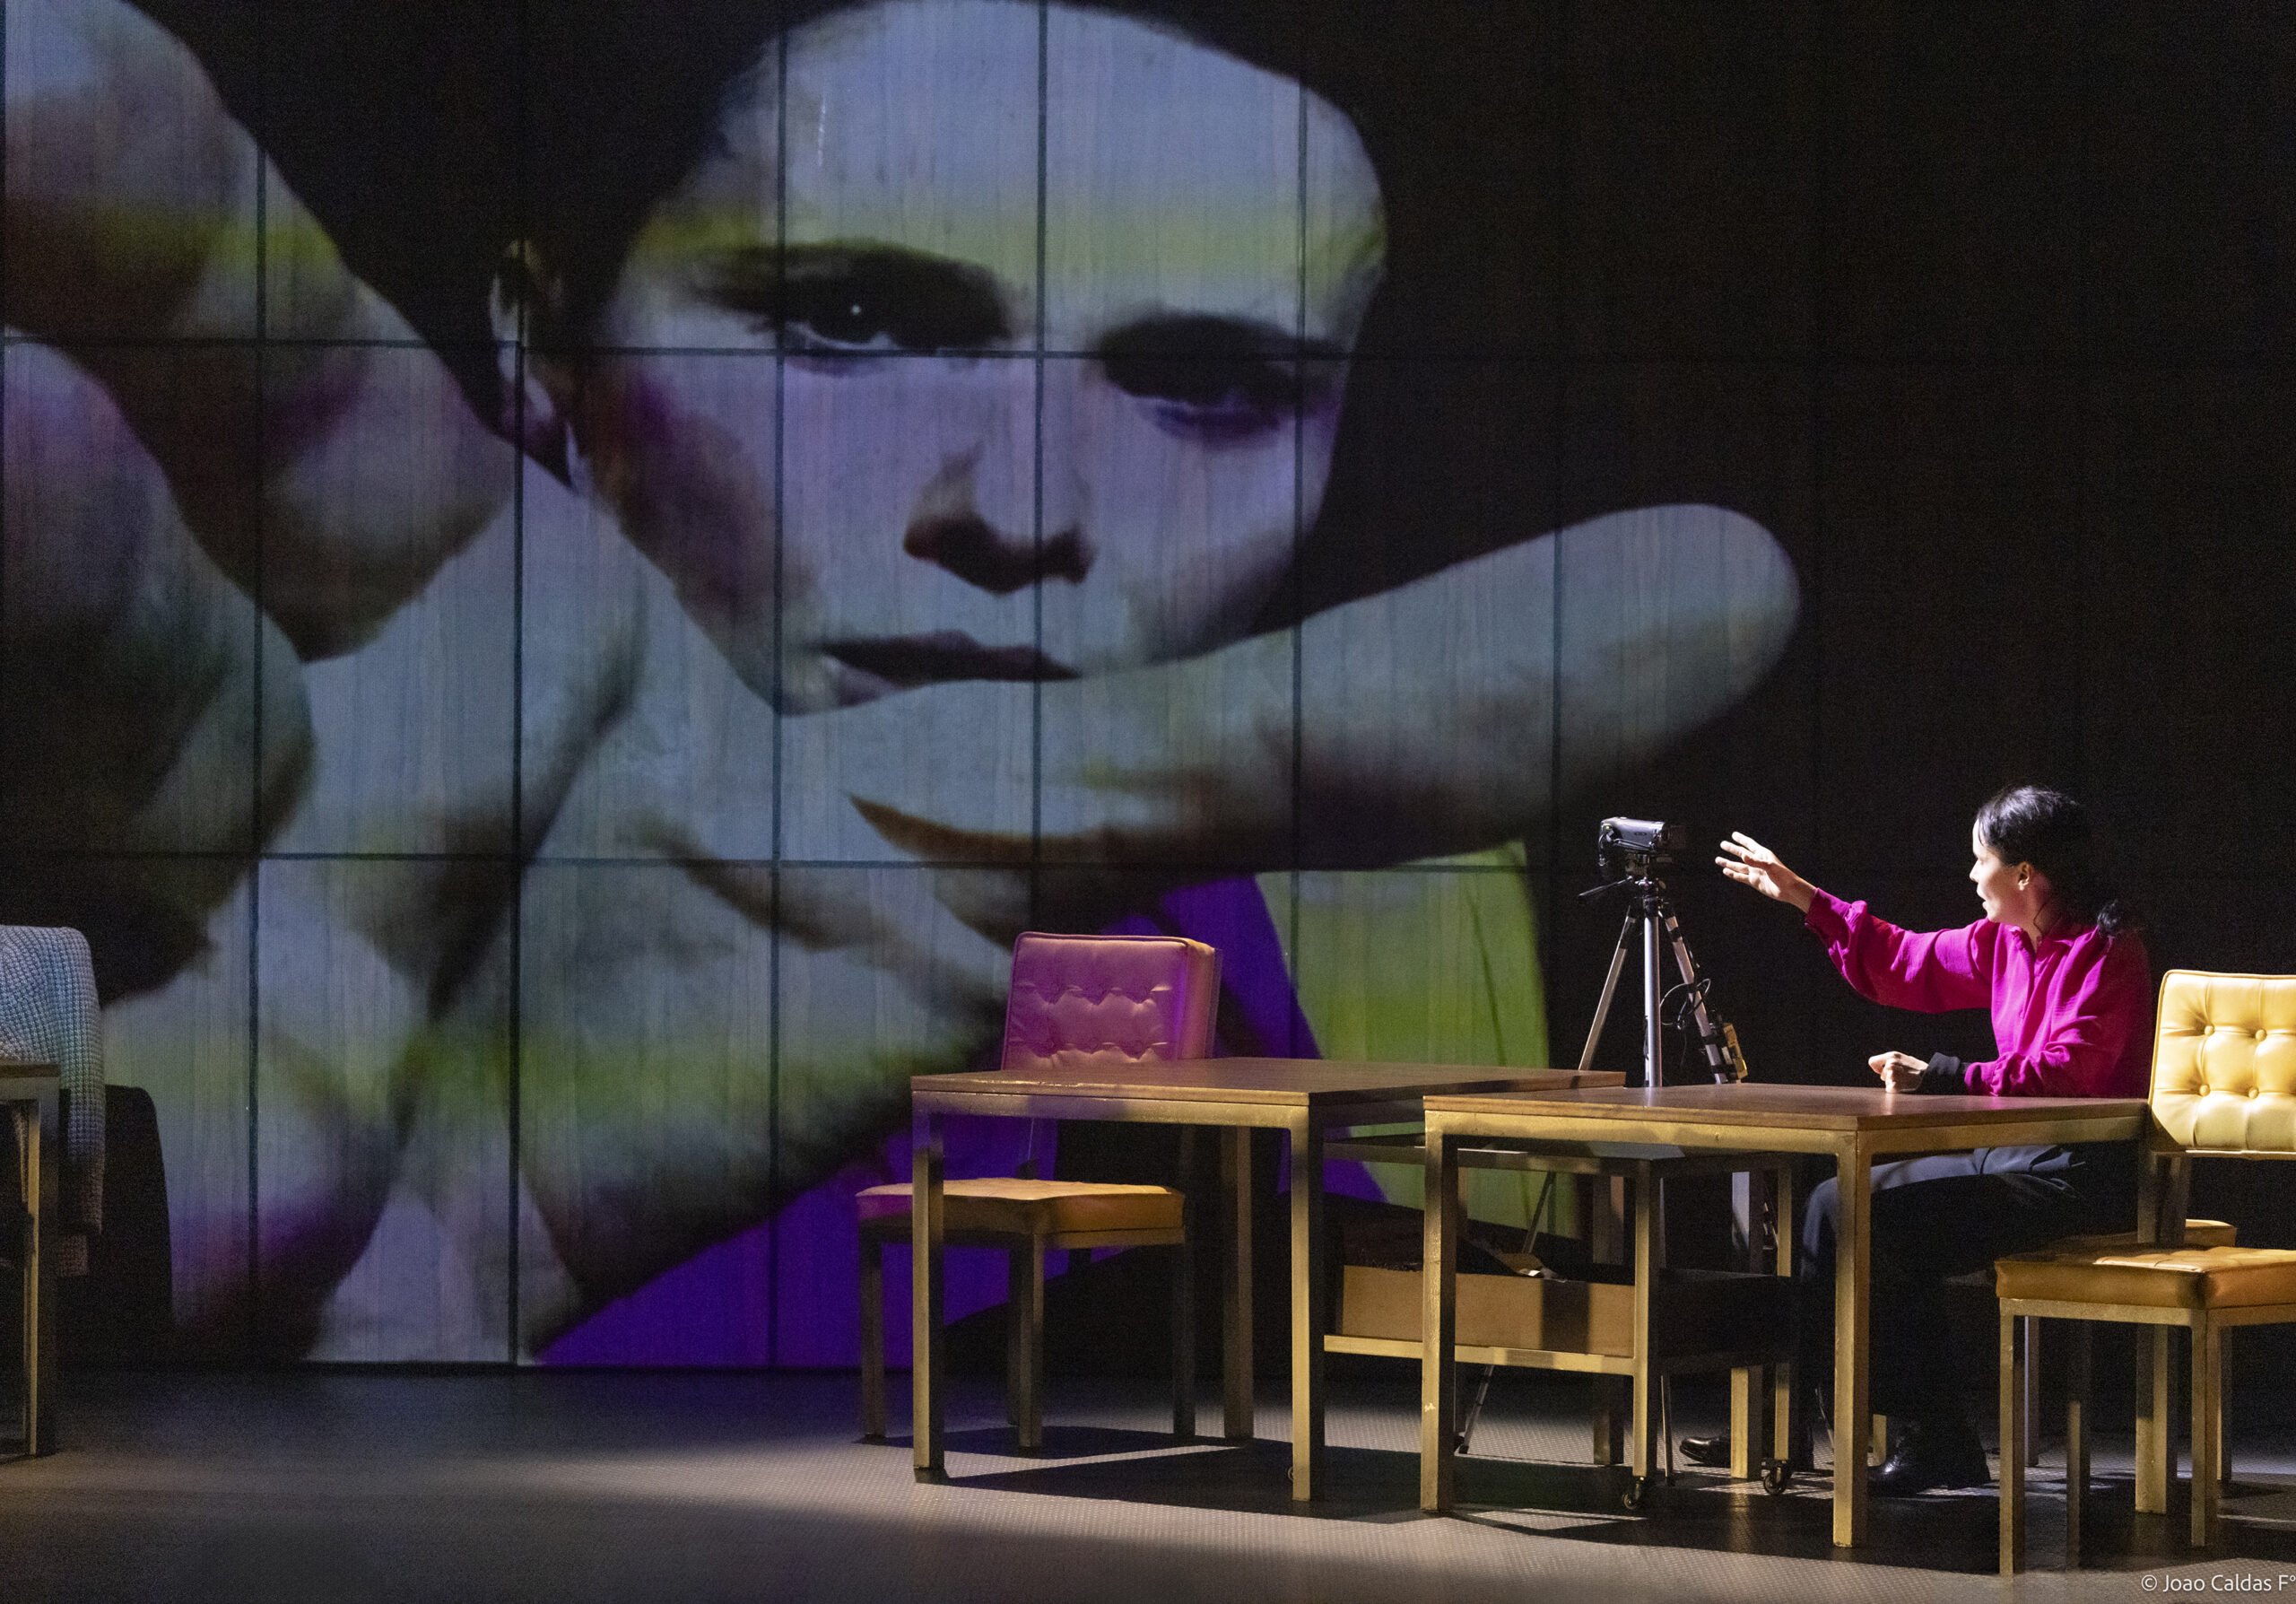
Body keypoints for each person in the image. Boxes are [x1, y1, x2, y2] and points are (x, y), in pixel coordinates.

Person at [4, 0, 1801, 1357]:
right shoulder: (167, 899)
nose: (1020, 510)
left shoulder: (1192, 964)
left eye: (1205, 384)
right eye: (852, 319)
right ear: (546, 353)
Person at [1683, 784, 2152, 1491]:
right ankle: (1788, 1419)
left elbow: (2072, 1069)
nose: (1972, 875)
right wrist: (1804, 897)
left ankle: (1934, 1436)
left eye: (1981, 859)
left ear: (2025, 873)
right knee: (1834, 1201)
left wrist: (1946, 1074)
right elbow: (1906, 960)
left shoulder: (2107, 950)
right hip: (2014, 1154)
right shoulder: (2004, 942)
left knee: (1876, 1221)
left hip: (2080, 1172)